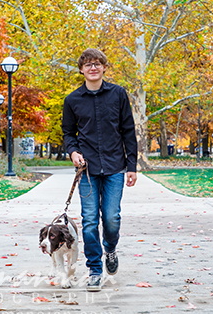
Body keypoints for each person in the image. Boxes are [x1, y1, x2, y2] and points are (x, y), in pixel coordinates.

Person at [62, 48, 138, 292]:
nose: (93, 68)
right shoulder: (72, 100)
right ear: (81, 70)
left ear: (104, 67)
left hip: (115, 167)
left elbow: (128, 130)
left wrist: (132, 166)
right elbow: (68, 133)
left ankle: (111, 249)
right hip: (87, 170)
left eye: (97, 64)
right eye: (88, 64)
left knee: (111, 218)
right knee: (90, 221)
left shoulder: (118, 95)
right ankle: (95, 269)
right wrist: (73, 152)